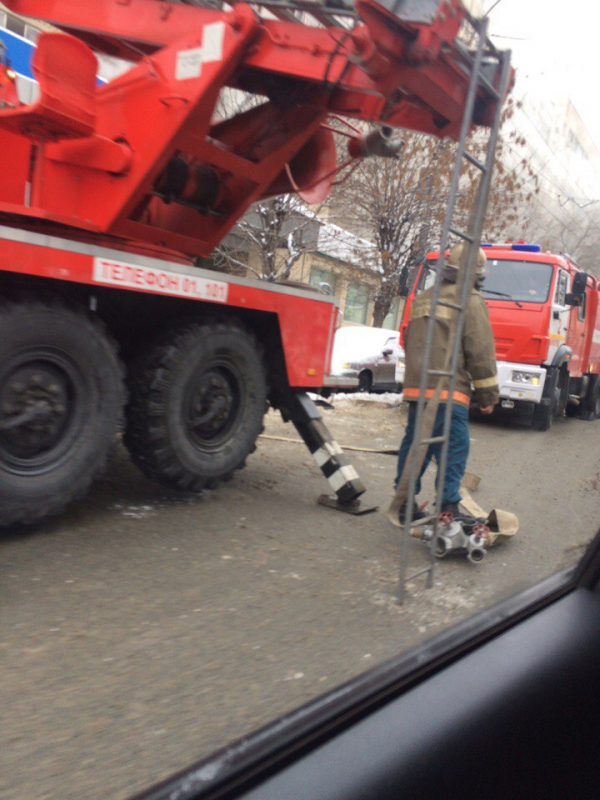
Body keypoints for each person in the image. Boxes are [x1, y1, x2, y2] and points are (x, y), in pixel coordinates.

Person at [395, 242, 499, 522]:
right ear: (477, 275)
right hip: (449, 390)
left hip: (418, 388)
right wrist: (488, 396)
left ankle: (403, 502)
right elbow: (480, 351)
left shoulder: (425, 297)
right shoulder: (470, 300)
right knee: (454, 445)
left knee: (417, 443)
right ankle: (448, 507)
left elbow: (410, 339)